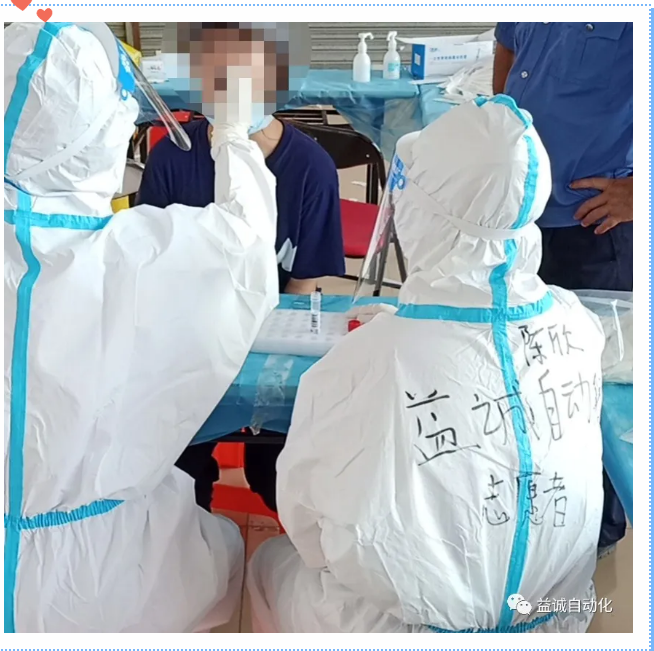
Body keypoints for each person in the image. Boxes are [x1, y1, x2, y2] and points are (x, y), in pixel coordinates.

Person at [247, 97, 606, 633]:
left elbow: (307, 520)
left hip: (400, 630)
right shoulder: (578, 324)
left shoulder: (368, 360)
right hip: (556, 620)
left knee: (268, 564)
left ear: (424, 214)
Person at [4, 22, 278, 632]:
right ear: (105, 130)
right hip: (108, 577)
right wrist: (233, 139)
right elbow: (247, 246)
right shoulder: (138, 257)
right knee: (223, 560)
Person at [136, 22, 345, 515]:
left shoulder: (310, 168)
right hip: (183, 338)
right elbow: (150, 272)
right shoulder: (172, 158)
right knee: (177, 472)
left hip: (268, 336)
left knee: (278, 472)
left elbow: (302, 286)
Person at [493, 22, 632, 555]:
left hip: (592, 226)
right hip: (519, 217)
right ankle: (534, 516)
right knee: (523, 372)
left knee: (594, 383)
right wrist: (502, 134)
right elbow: (508, 45)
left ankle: (594, 536)